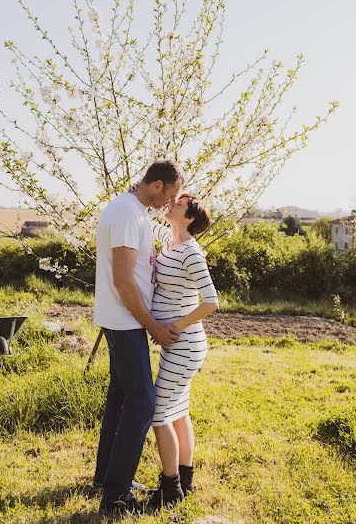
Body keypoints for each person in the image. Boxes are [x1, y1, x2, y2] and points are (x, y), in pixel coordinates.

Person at [93, 160, 184, 515]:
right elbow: (123, 281)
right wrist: (154, 327)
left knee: (121, 398)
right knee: (143, 402)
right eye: (171, 194)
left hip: (124, 320)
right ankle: (116, 496)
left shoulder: (132, 210)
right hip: (125, 322)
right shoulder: (128, 214)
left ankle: (106, 478)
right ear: (157, 185)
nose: (170, 202)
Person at [147, 194, 219, 509]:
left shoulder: (191, 253)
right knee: (178, 412)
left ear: (188, 217)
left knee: (158, 414)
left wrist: (174, 326)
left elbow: (211, 302)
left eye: (179, 203)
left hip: (184, 345)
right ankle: (185, 480)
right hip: (179, 346)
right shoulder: (169, 239)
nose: (171, 203)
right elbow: (145, 218)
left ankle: (170, 489)